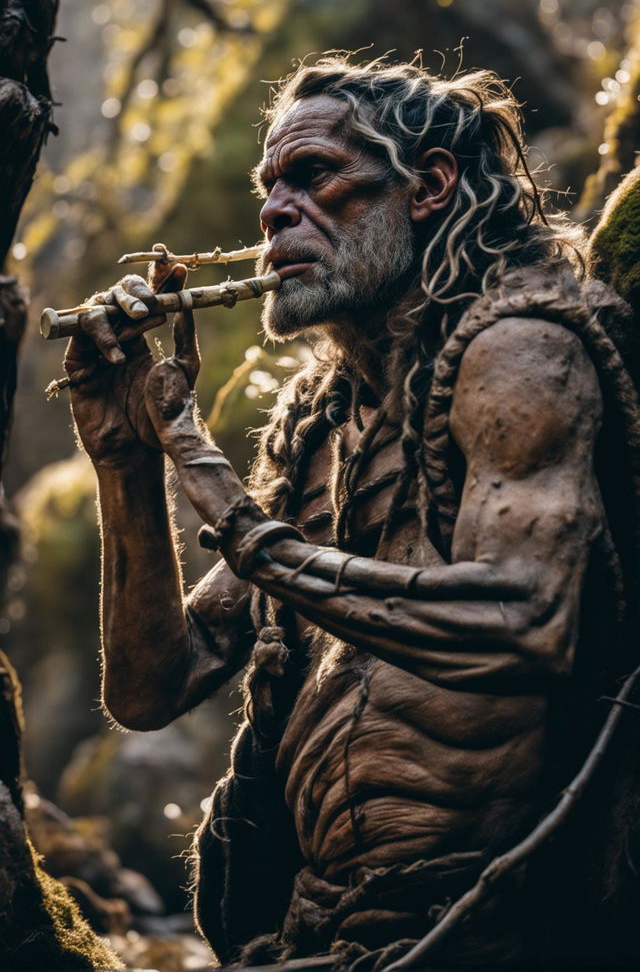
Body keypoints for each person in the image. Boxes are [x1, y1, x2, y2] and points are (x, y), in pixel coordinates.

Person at [64, 58, 640, 970]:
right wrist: (128, 458)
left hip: (493, 923)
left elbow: (524, 626)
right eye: (268, 189)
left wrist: (219, 492)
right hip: (318, 927)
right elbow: (150, 688)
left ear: (430, 187)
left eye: (314, 176)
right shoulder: (322, 424)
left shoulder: (520, 348)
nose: (273, 213)